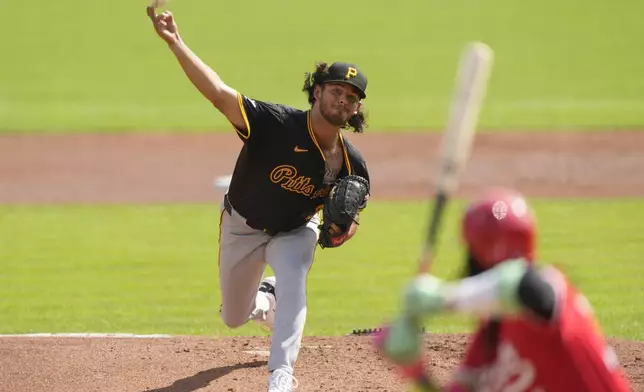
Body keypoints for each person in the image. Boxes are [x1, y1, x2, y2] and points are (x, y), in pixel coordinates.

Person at [146, 6, 371, 392]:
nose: (343, 100)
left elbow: (348, 220)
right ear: (317, 91)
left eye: (352, 97)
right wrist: (175, 42)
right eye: (337, 90)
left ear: (356, 108)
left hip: (295, 231)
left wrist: (339, 231)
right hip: (242, 226)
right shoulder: (274, 123)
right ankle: (265, 297)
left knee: (295, 277)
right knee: (234, 317)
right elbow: (218, 94)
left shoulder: (353, 163)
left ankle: (281, 374)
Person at [374, 187, 631, 392]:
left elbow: (521, 284)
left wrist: (445, 298)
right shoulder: (490, 338)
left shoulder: (550, 291)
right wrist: (416, 372)